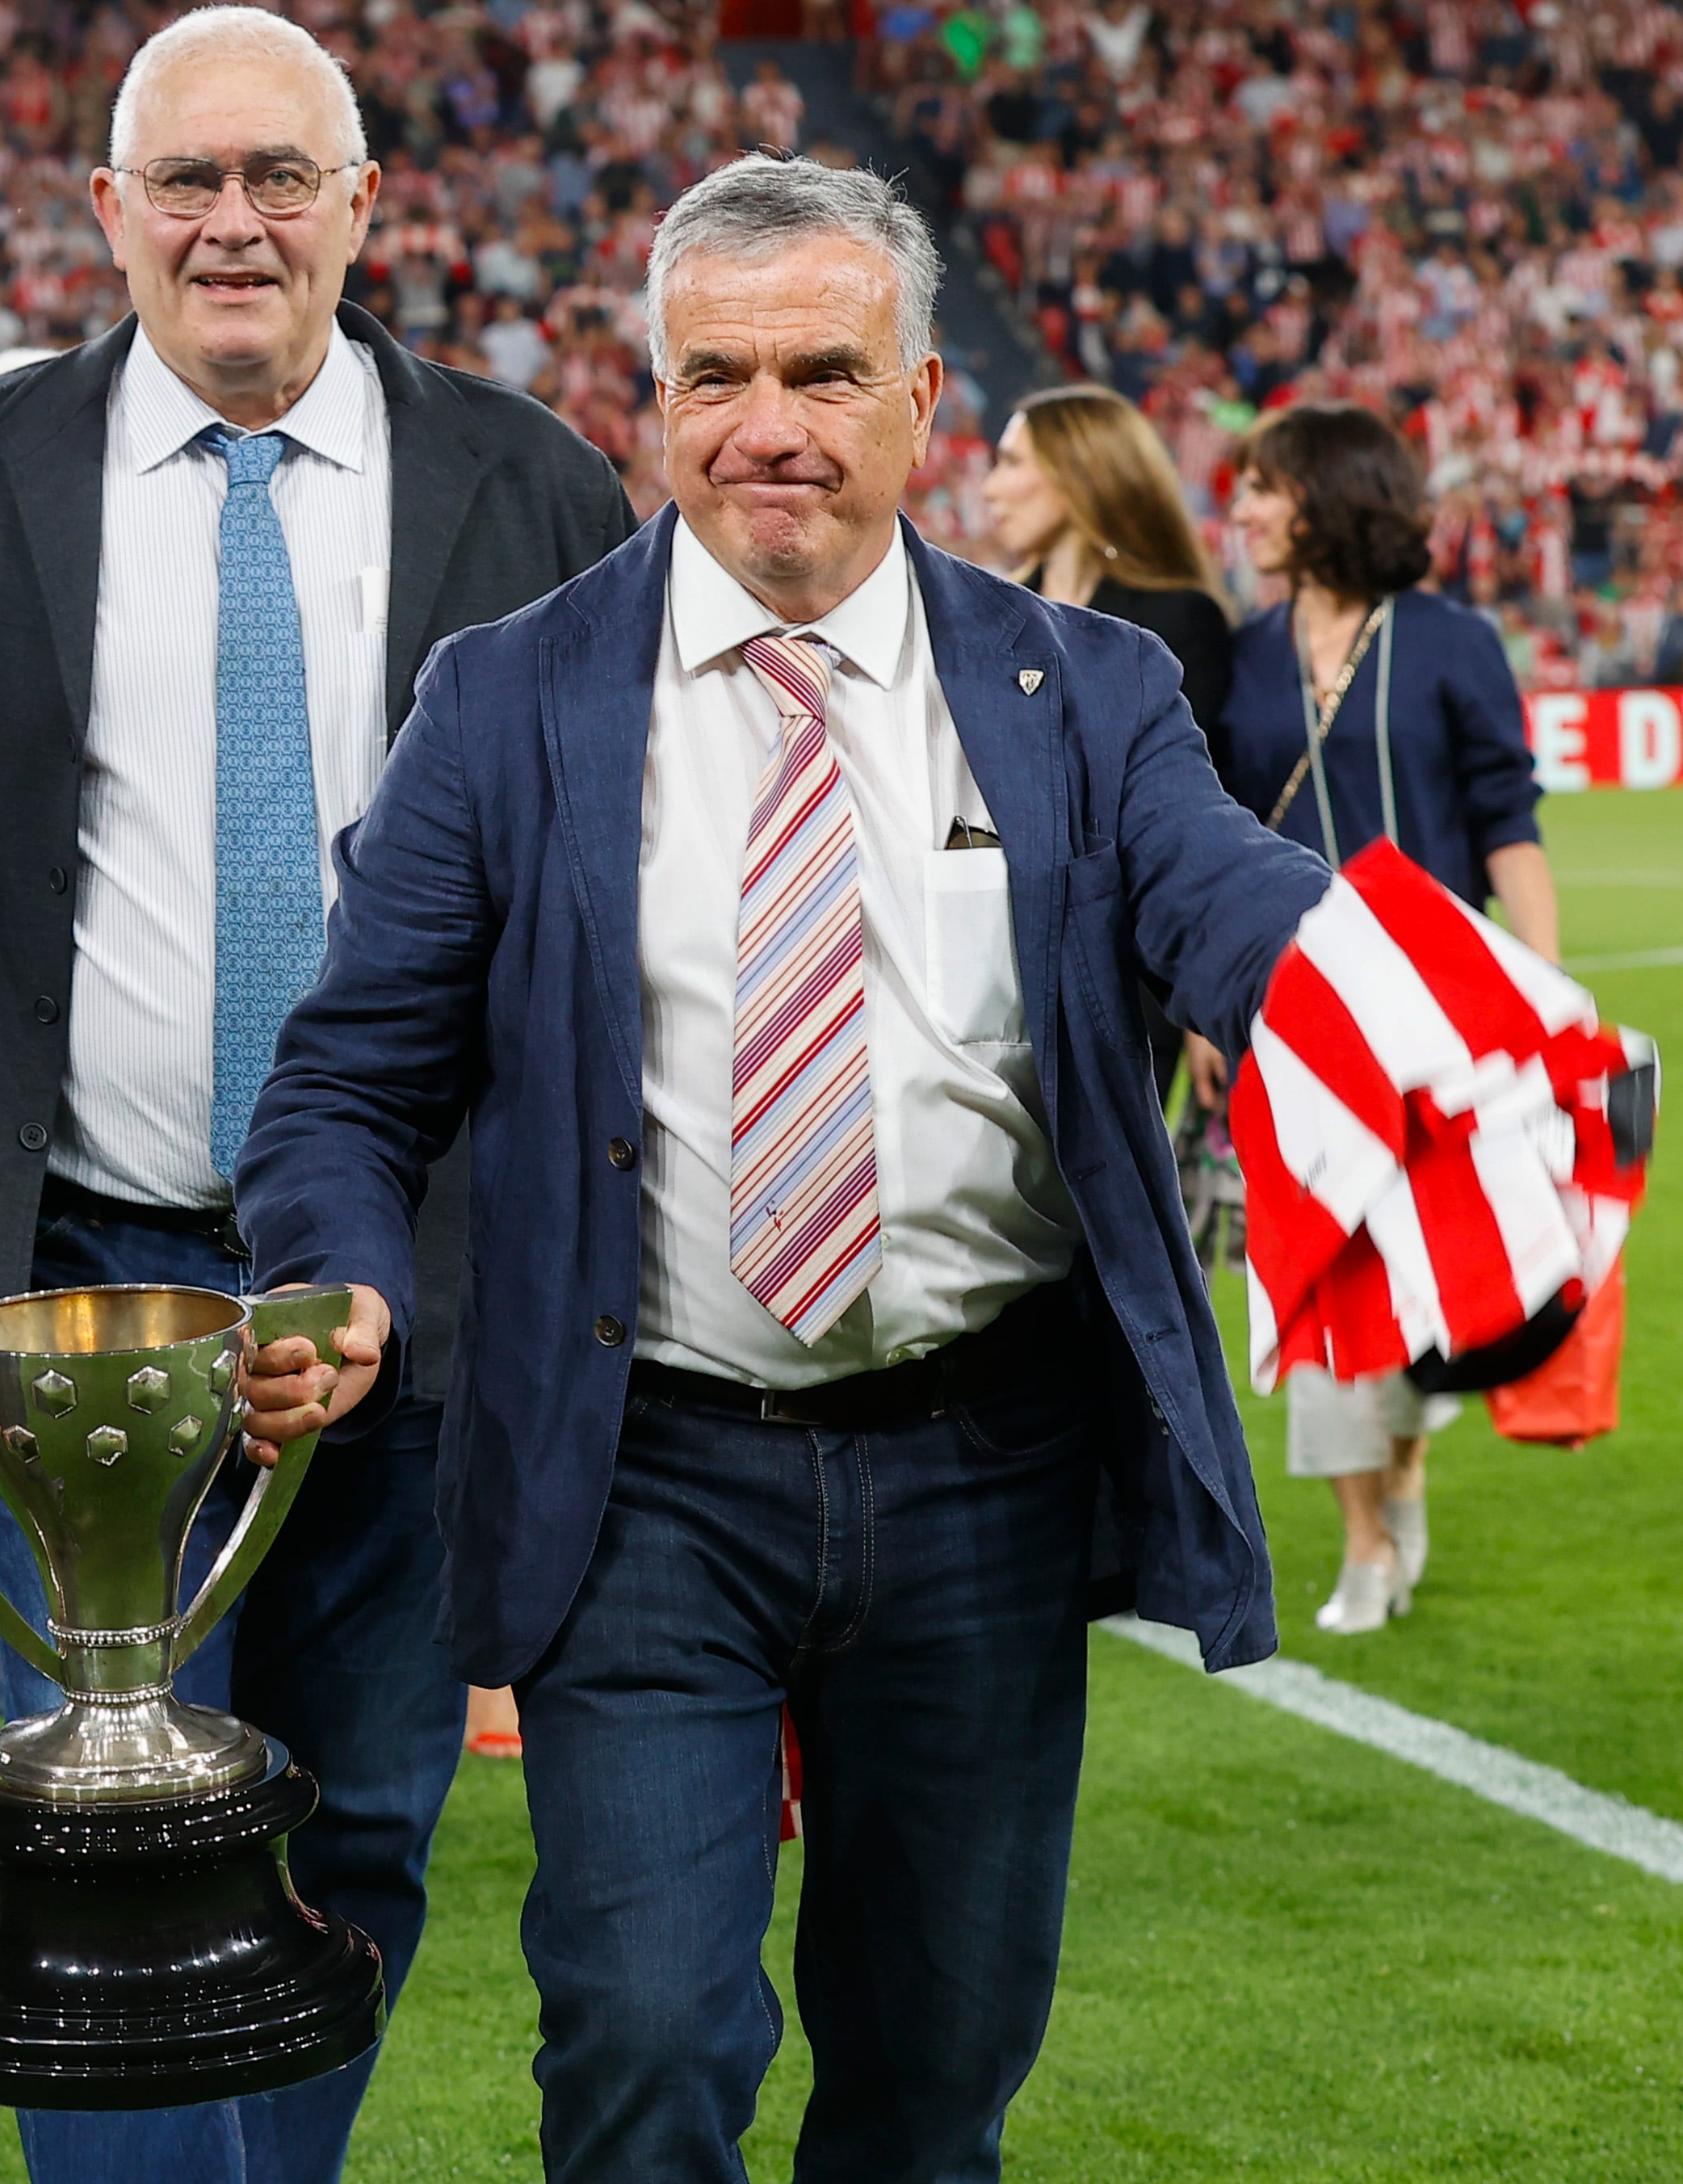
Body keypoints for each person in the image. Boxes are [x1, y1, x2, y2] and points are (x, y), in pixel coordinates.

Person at [227, 154, 1337, 2184]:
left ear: (923, 403)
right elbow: (344, 1078)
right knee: (642, 2041)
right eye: (713, 374)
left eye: (823, 372)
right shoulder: (507, 698)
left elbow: (1226, 903)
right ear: (652, 402)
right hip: (641, 1465)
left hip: (980, 1463)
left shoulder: (1083, 691)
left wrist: (1387, 998)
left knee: (932, 2075)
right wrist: (341, 1273)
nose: (766, 427)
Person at [0, 10, 636, 2178]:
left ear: (365, 205)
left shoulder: (532, 485)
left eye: (282, 176)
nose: (233, 223)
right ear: (107, 214)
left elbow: (627, 928)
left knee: (357, 1820)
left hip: (407, 1295)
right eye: (184, 180)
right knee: (90, 1845)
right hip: (70, 1289)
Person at [1204, 401, 1555, 1637]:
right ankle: (1363, 1536)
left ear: (1329, 495)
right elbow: (1218, 838)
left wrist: (1545, 997)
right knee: (1324, 1265)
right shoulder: (1241, 656)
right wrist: (1208, 1014)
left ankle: (1403, 1468)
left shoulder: (1453, 640)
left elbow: (1508, 817)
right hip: (1295, 1011)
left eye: (1263, 488)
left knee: (1436, 1277)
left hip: (1445, 1011)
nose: (1241, 511)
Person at [982, 383, 1235, 756]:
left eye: (1012, 463)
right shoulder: (989, 615)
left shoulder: (1178, 622)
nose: (990, 488)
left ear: (1081, 473)